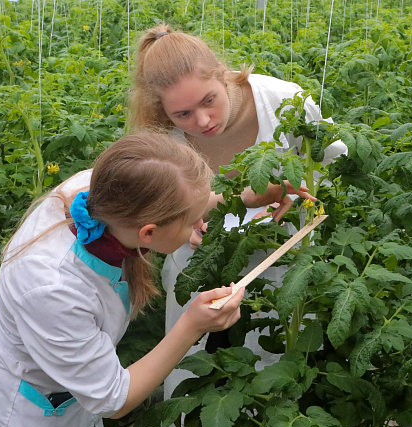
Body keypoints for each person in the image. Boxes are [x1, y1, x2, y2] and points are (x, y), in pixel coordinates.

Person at [0, 133, 245, 427]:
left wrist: (247, 196)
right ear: (148, 232)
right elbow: (114, 399)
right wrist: (191, 326)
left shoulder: (105, 193)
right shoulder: (53, 288)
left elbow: (183, 203)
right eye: (193, 222)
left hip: (69, 404)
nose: (198, 226)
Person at [129, 24, 348, 405]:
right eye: (183, 113)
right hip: (199, 263)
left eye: (209, 100)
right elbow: (153, 216)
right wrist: (183, 225)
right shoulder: (162, 139)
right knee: (189, 369)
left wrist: (306, 196)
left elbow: (336, 170)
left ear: (221, 72)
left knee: (275, 367)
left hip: (284, 259)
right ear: (161, 110)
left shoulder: (285, 102)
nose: (202, 121)